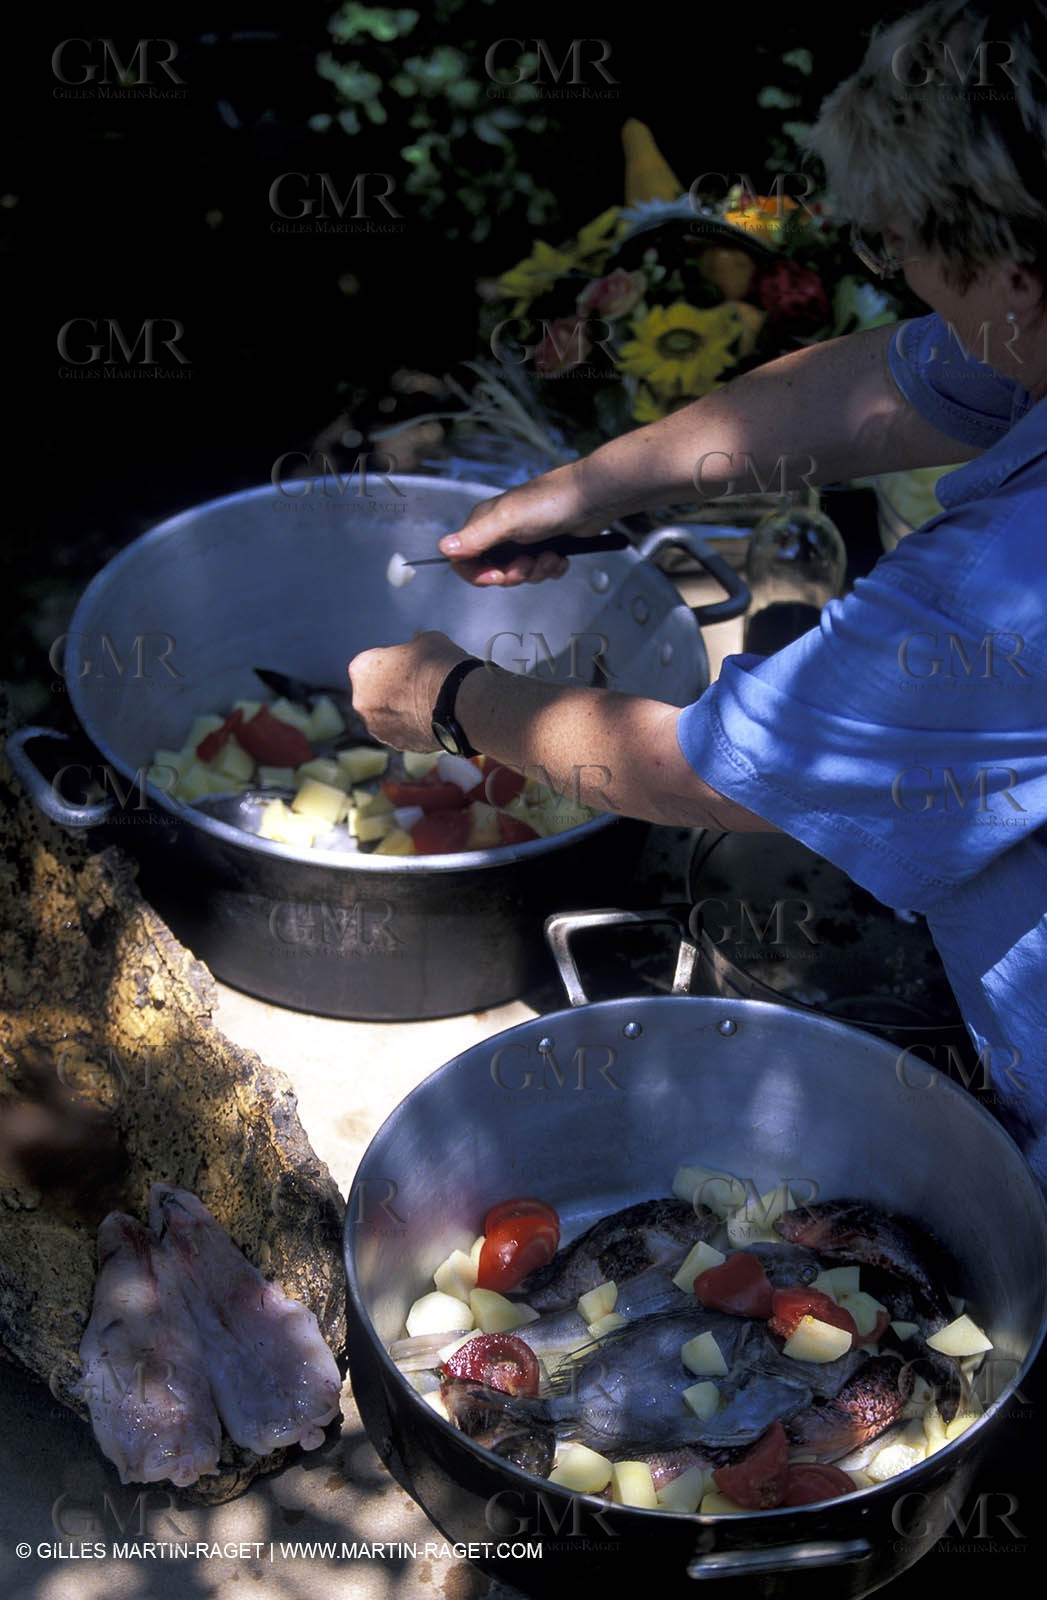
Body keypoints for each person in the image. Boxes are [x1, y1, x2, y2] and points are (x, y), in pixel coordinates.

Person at [350, 0, 1047, 1183]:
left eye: (905, 253)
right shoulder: (1027, 327)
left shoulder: (1002, 581)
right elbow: (883, 385)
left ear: (1016, 276)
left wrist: (450, 699)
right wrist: (582, 490)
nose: (902, 284)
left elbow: (711, 770)